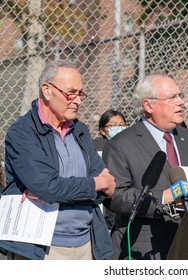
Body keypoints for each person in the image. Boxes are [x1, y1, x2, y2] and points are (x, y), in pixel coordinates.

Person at [102, 73, 188, 260]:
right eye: (172, 98)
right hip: (144, 247)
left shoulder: (187, 137)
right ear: (149, 105)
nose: (181, 102)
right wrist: (161, 198)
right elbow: (115, 197)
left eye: (180, 96)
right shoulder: (121, 144)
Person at [0, 60, 116, 260]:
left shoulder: (80, 130)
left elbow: (107, 187)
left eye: (81, 93)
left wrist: (61, 189)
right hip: (41, 248)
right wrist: (94, 184)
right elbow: (49, 187)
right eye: (71, 93)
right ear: (47, 90)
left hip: (87, 243)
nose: (78, 100)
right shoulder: (23, 133)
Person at [93, 109, 127, 231]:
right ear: (102, 130)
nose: (117, 128)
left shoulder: (130, 147)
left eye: (121, 125)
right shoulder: (96, 149)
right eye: (112, 126)